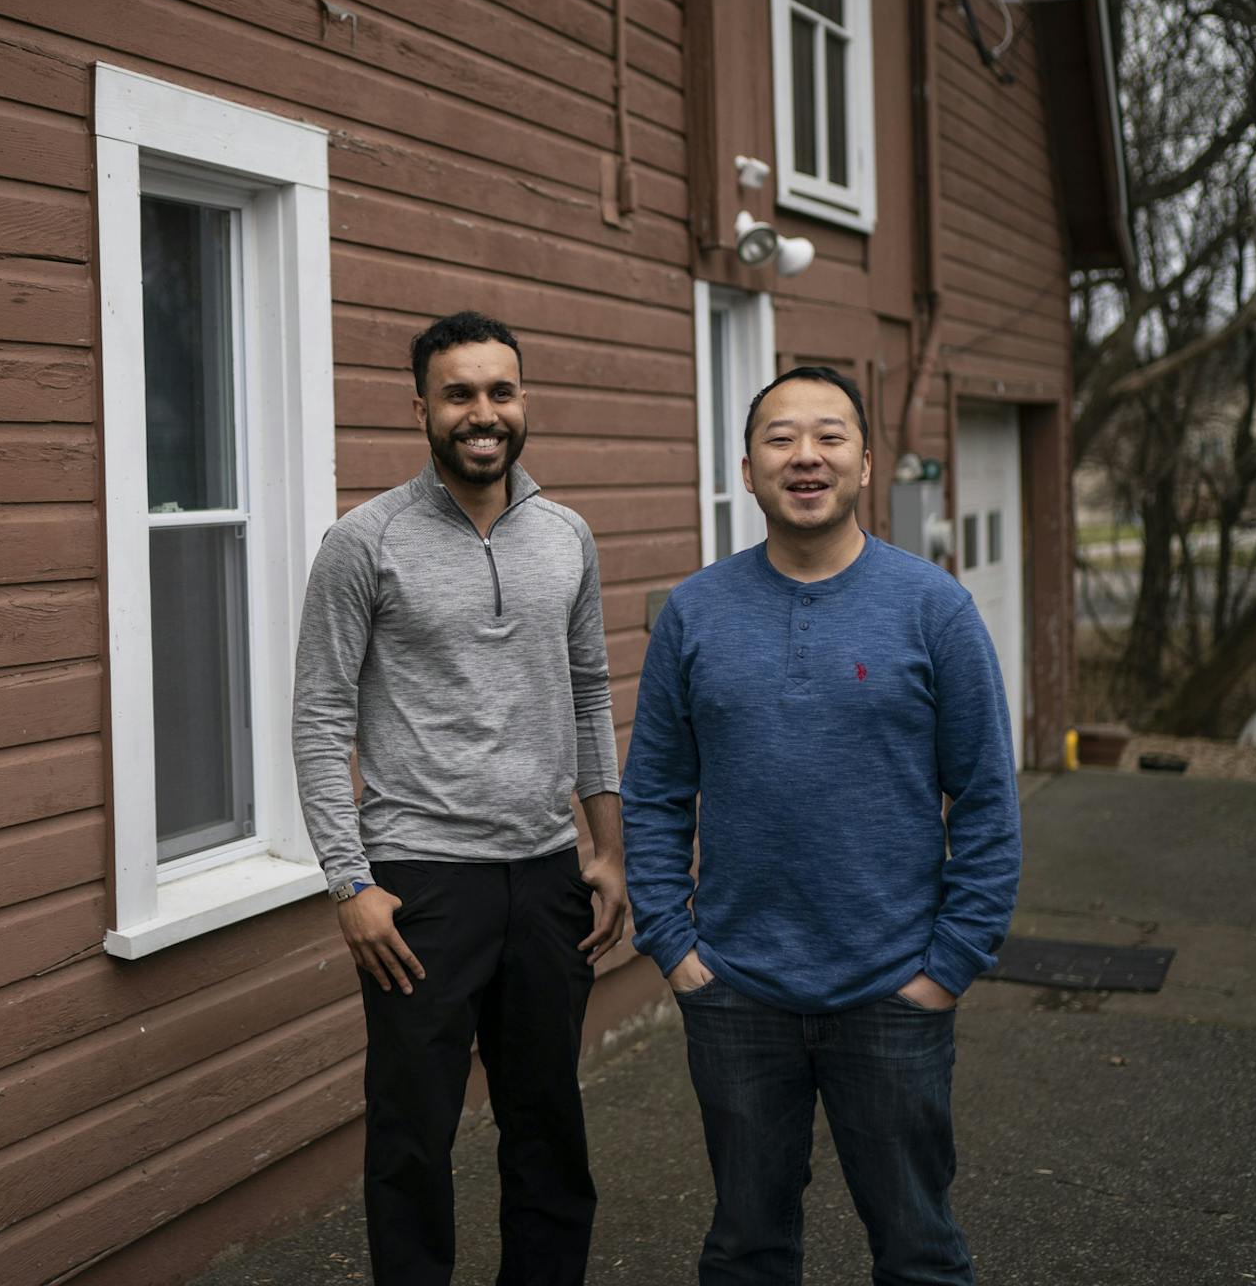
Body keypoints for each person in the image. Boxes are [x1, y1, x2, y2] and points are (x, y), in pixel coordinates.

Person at [621, 365, 1021, 1285]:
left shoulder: (936, 609)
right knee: (747, 1250)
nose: (806, 456)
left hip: (891, 990)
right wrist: (675, 945)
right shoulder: (696, 613)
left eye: (830, 436)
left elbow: (989, 801)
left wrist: (949, 965)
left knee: (920, 1251)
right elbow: (652, 793)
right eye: (781, 438)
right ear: (750, 469)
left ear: (866, 462)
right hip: (737, 993)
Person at [293, 310, 626, 1285]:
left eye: (501, 391)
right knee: (411, 1139)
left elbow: (592, 686)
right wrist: (350, 885)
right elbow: (319, 719)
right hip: (422, 885)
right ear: (422, 409)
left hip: (544, 871)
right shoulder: (365, 543)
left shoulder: (567, 536)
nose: (483, 413)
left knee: (548, 1126)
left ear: (523, 402)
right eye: (460, 394)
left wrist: (606, 853)